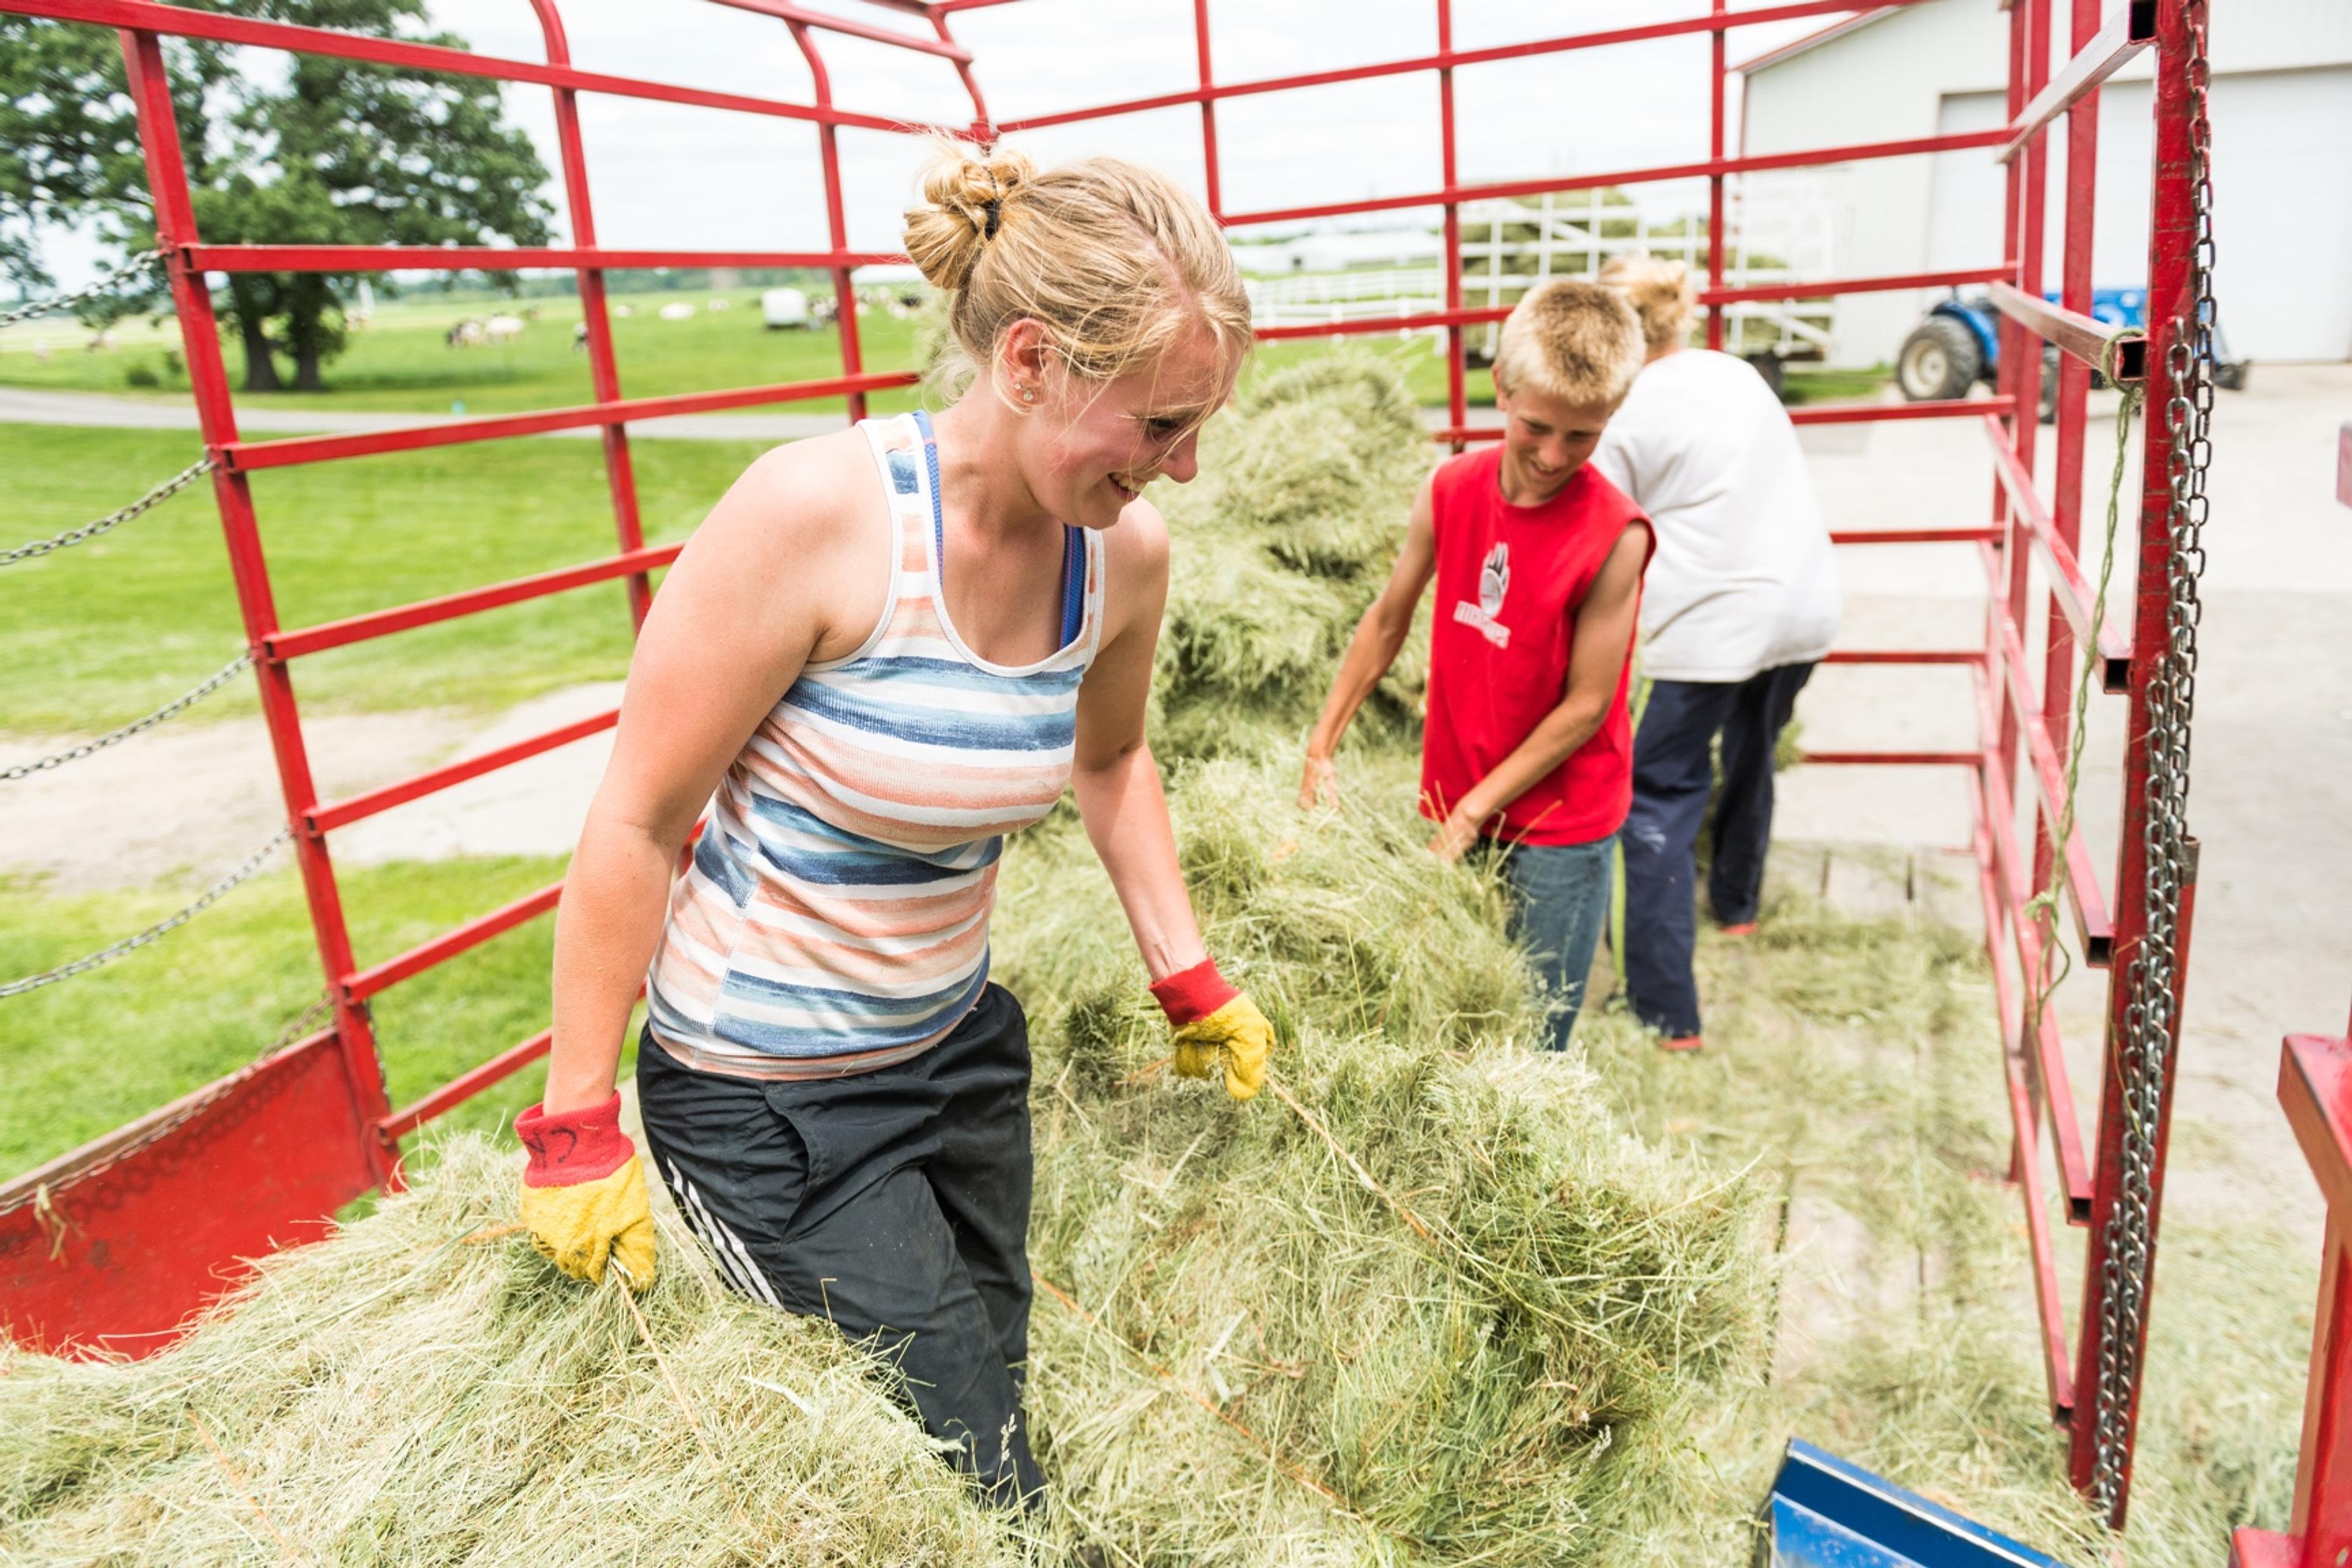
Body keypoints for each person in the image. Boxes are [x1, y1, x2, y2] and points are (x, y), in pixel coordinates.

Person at [512, 144, 1277, 1511]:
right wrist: (576, 1121)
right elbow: (638, 818)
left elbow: (1112, 760)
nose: (1191, 465)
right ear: (1032, 362)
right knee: (973, 1479)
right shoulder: (818, 518)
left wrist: (1190, 972)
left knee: (996, 1377)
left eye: (1200, 422)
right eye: (1163, 424)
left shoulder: (1122, 554)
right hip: (770, 1102)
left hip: (957, 1057)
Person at [1300, 281, 1651, 1052]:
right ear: (1502, 386)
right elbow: (1388, 618)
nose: (1554, 455)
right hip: (1454, 791)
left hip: (1558, 823)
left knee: (1531, 1033)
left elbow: (1586, 707)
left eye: (1582, 437)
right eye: (1536, 426)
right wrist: (1323, 741)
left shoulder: (1615, 535)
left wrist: (1470, 816)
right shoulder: (1451, 487)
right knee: (1449, 1006)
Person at [1591, 256, 1841, 1052]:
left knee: (1656, 796)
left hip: (1709, 628)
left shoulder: (1622, 410)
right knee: (1752, 750)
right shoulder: (1737, 375)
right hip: (1803, 608)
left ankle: (1666, 1014)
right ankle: (1737, 905)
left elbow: (1596, 536)